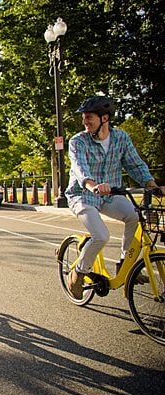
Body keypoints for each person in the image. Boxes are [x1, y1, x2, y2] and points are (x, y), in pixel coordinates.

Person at [65, 96, 164, 299]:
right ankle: (78, 273)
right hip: (82, 195)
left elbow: (135, 165)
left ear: (105, 118)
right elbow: (79, 167)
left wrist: (152, 186)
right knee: (101, 235)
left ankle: (123, 265)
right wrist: (92, 185)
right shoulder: (78, 141)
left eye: (89, 117)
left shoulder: (121, 138)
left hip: (111, 195)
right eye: (84, 118)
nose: (85, 122)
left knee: (135, 217)